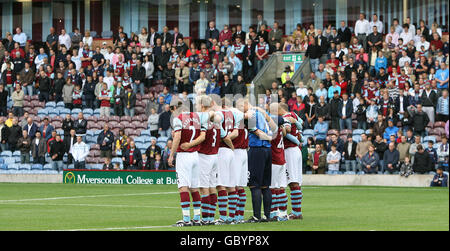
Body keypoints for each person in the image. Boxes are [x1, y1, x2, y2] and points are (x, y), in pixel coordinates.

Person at [168, 100, 206, 227]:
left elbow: (178, 137)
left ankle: (186, 219)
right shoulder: (196, 117)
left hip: (184, 156)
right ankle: (196, 218)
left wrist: (171, 154)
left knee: (183, 187)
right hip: (195, 155)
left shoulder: (178, 118)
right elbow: (202, 135)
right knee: (194, 188)